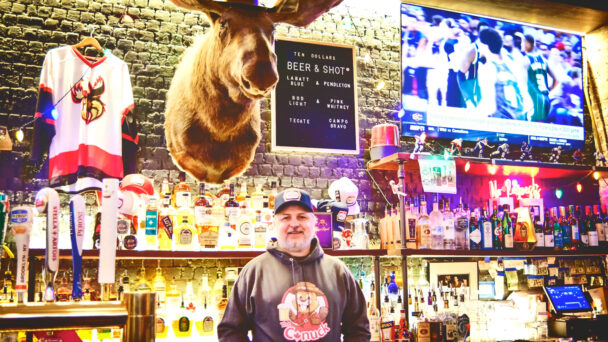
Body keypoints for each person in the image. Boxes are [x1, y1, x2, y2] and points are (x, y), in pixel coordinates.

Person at [218, 188, 370, 341]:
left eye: (302, 217)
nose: (294, 223)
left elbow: (359, 330)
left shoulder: (339, 271)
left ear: (314, 222)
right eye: (285, 218)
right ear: (274, 223)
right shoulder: (254, 272)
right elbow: (230, 331)